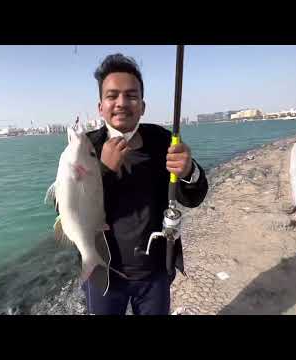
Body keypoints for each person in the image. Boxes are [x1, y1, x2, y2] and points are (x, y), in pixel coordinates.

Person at [82, 53, 208, 315]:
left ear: (142, 105)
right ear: (100, 106)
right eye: (112, 95)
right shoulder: (84, 148)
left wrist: (189, 171)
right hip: (103, 271)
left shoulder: (162, 140)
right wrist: (103, 170)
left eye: (131, 95)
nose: (121, 103)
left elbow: (192, 197)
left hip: (155, 270)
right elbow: (65, 210)